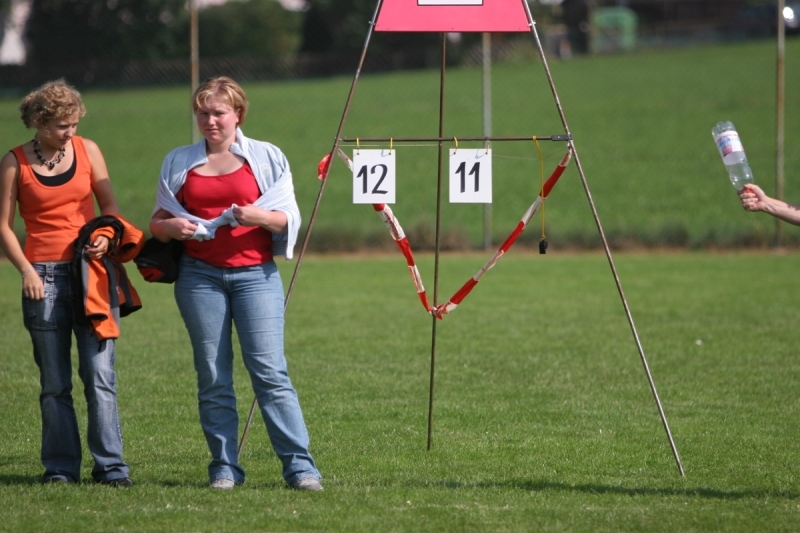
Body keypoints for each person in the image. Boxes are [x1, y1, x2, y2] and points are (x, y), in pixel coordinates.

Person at [149, 76, 322, 491]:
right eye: (203, 113)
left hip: (256, 276)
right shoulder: (178, 161)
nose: (210, 121)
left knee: (270, 373)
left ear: (238, 114)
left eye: (219, 113)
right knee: (213, 376)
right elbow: (157, 222)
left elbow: (287, 218)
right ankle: (224, 468)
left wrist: (257, 216)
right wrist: (170, 228)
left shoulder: (266, 156)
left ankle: (301, 469)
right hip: (198, 278)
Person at [0, 79, 134, 487]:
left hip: (91, 273)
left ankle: (111, 468)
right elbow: (3, 226)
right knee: (54, 384)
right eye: (62, 126)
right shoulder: (14, 162)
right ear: (40, 122)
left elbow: (110, 207)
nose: (70, 132)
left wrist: (106, 235)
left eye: (74, 124)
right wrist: (27, 270)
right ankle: (60, 468)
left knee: (99, 375)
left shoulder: (88, 150)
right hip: (42, 277)